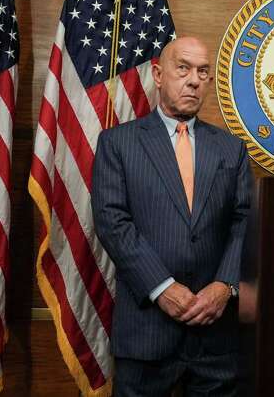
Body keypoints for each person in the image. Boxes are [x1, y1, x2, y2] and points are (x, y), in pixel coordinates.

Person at [92, 36, 252, 396]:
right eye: (183, 68)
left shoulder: (231, 148)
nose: (194, 80)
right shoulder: (118, 143)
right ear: (158, 74)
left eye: (203, 72)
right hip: (147, 330)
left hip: (216, 334)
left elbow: (243, 221)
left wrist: (224, 286)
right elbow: (112, 221)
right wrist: (162, 288)